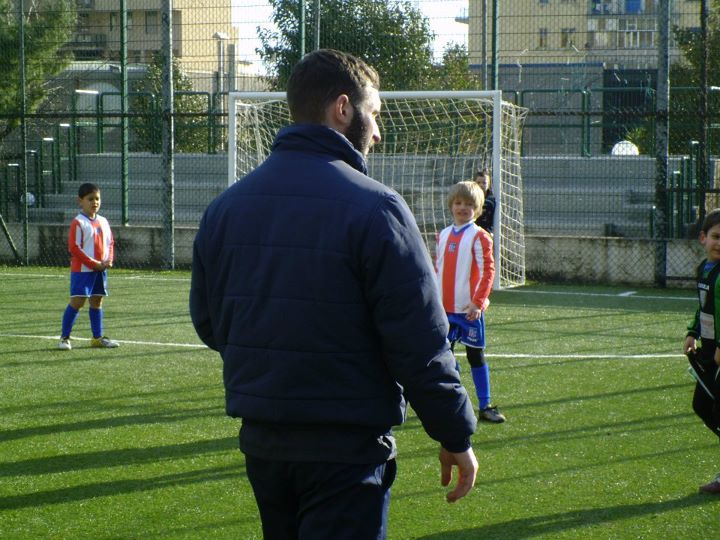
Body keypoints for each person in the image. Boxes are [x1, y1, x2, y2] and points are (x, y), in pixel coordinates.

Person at [189, 49, 478, 539]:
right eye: (376, 113)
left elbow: (210, 323)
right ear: (343, 109)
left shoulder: (225, 208)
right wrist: (455, 433)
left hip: (264, 445)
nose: (379, 130)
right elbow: (419, 343)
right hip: (346, 451)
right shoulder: (377, 208)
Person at [436, 180, 505, 423]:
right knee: (445, 358)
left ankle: (485, 405)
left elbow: (488, 270)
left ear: (477, 208)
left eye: (468, 204)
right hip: (445, 311)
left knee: (476, 356)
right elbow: (438, 269)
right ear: (451, 205)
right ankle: (450, 402)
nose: (462, 208)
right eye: (458, 203)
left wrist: (478, 302)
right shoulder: (443, 235)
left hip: (469, 311)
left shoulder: (480, 236)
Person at [684, 209, 720, 495]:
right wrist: (692, 332)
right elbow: (704, 306)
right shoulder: (704, 270)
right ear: (703, 238)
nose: (719, 243)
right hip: (709, 351)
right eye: (716, 237)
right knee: (702, 405)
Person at [58, 182, 118, 350]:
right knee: (77, 302)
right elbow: (74, 248)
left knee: (97, 301)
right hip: (83, 271)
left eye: (97, 199)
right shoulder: (78, 222)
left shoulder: (103, 221)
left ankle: (97, 338)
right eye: (90, 199)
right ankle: (64, 338)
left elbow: (110, 242)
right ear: (80, 201)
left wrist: (109, 259)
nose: (95, 202)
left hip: (100, 270)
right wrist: (94, 264)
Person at [474, 167, 496, 234]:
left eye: (484, 183)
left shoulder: (491, 200)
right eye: (478, 182)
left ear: (488, 184)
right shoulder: (471, 198)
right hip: (473, 230)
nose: (481, 185)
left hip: (486, 232)